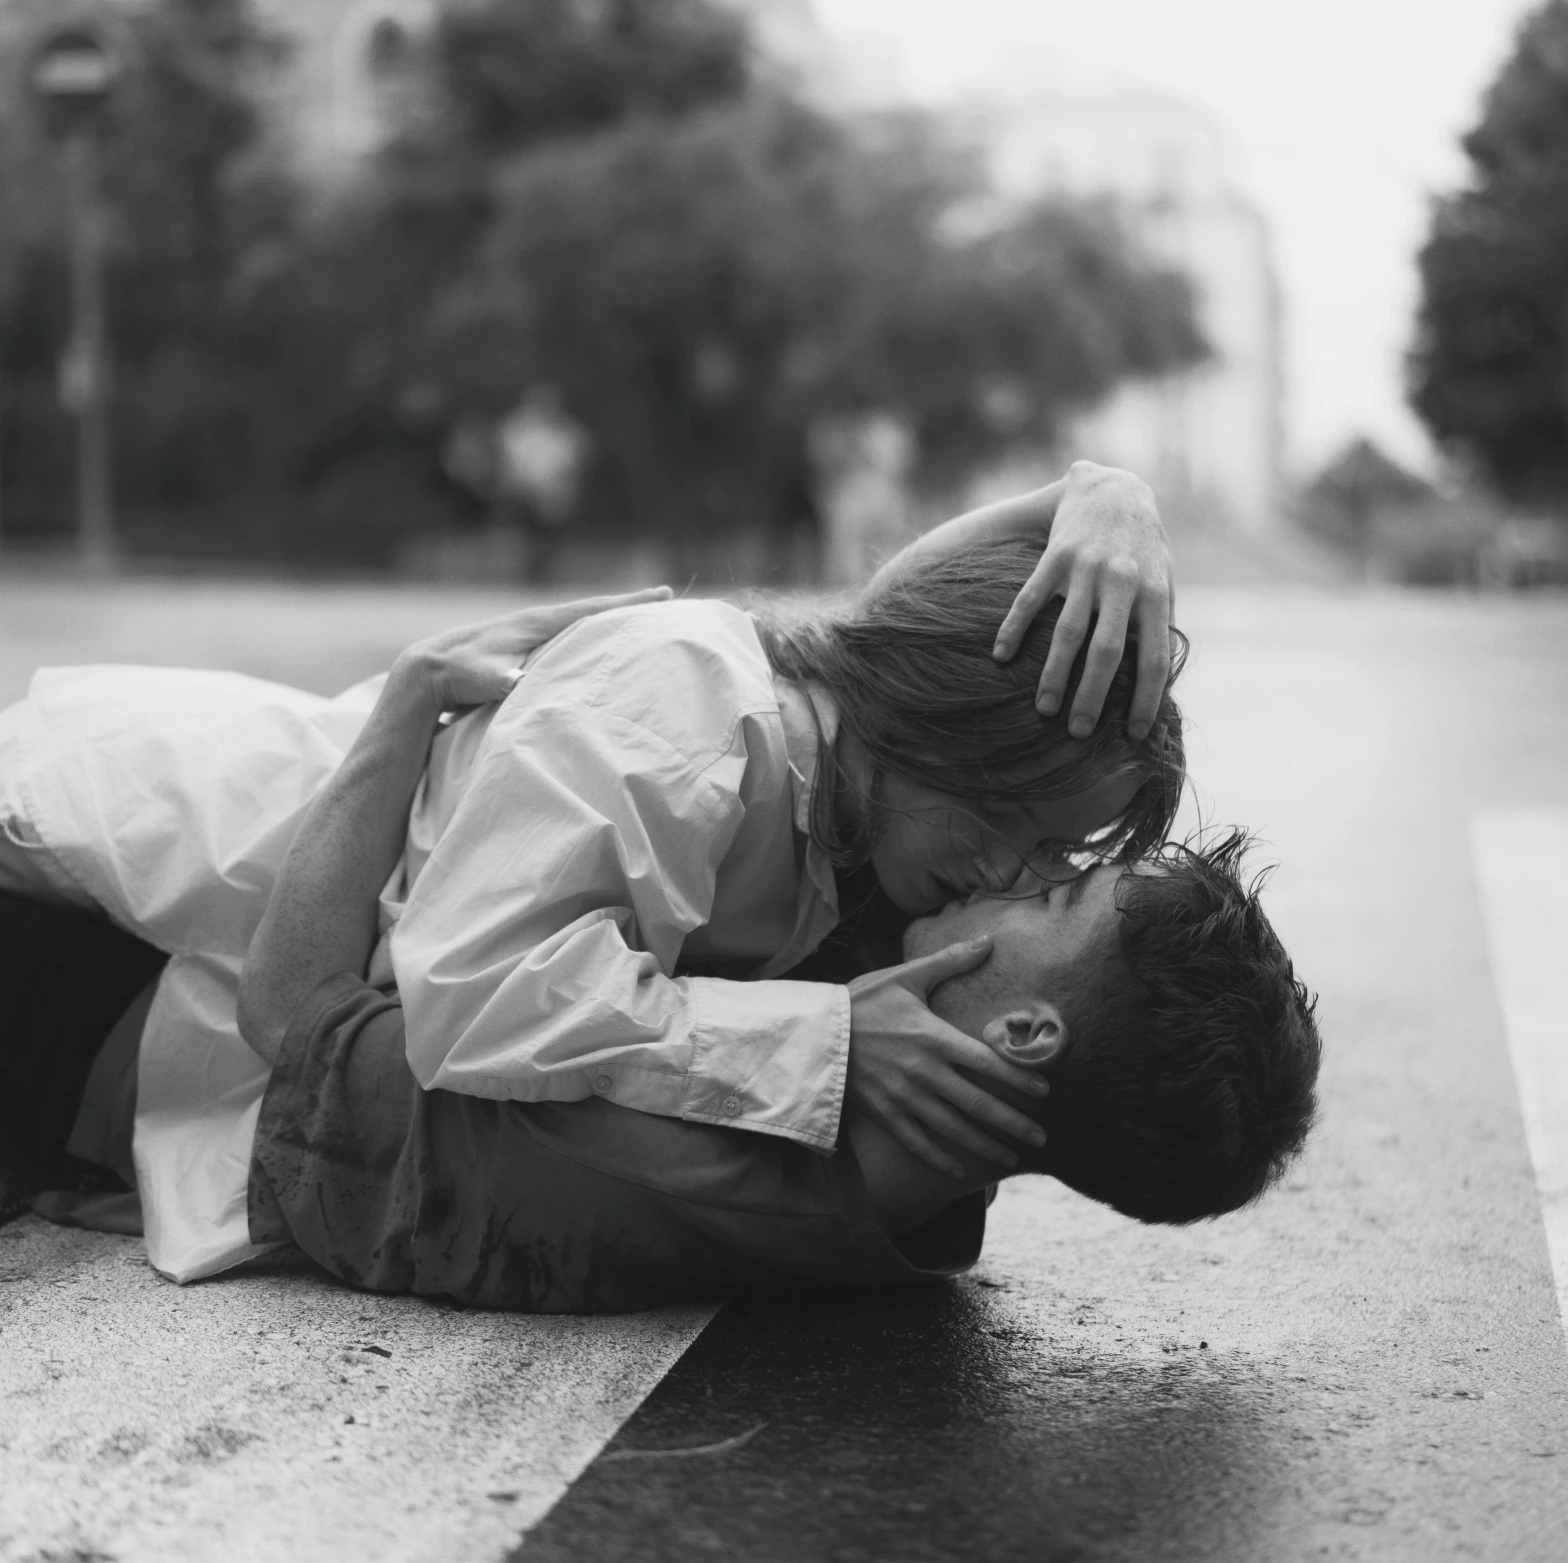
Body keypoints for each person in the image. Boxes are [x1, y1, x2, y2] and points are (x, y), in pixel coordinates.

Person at [0, 465, 1181, 1283]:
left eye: (1053, 860)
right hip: (100, 859)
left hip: (199, 953)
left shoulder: (846, 783)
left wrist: (1098, 497)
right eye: (1023, 822)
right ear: (946, 724)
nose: (1013, 875)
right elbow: (470, 993)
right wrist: (812, 1042)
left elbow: (899, 619)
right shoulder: (694, 713)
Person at [228, 638, 1319, 1311]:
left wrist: (410, 697)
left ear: (1024, 1034)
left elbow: (292, 1010)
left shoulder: (674, 1146)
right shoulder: (917, 1185)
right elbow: (894, 712)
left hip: (105, 1021)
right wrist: (1096, 501)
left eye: (1048, 895)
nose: (1012, 873)